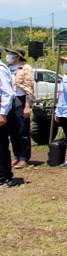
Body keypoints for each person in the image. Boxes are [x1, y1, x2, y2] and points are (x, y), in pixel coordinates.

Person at [6, 47, 34, 169]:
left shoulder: (25, 68)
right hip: (9, 100)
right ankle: (16, 156)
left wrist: (27, 106)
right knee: (12, 130)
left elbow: (30, 87)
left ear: (17, 56)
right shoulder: (6, 68)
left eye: (11, 54)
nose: (8, 56)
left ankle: (24, 157)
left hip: (21, 99)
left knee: (22, 129)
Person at [0, 47, 18, 188]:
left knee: (1, 146)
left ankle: (5, 177)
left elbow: (7, 93)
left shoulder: (0, 68)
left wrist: (2, 113)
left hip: (1, 112)